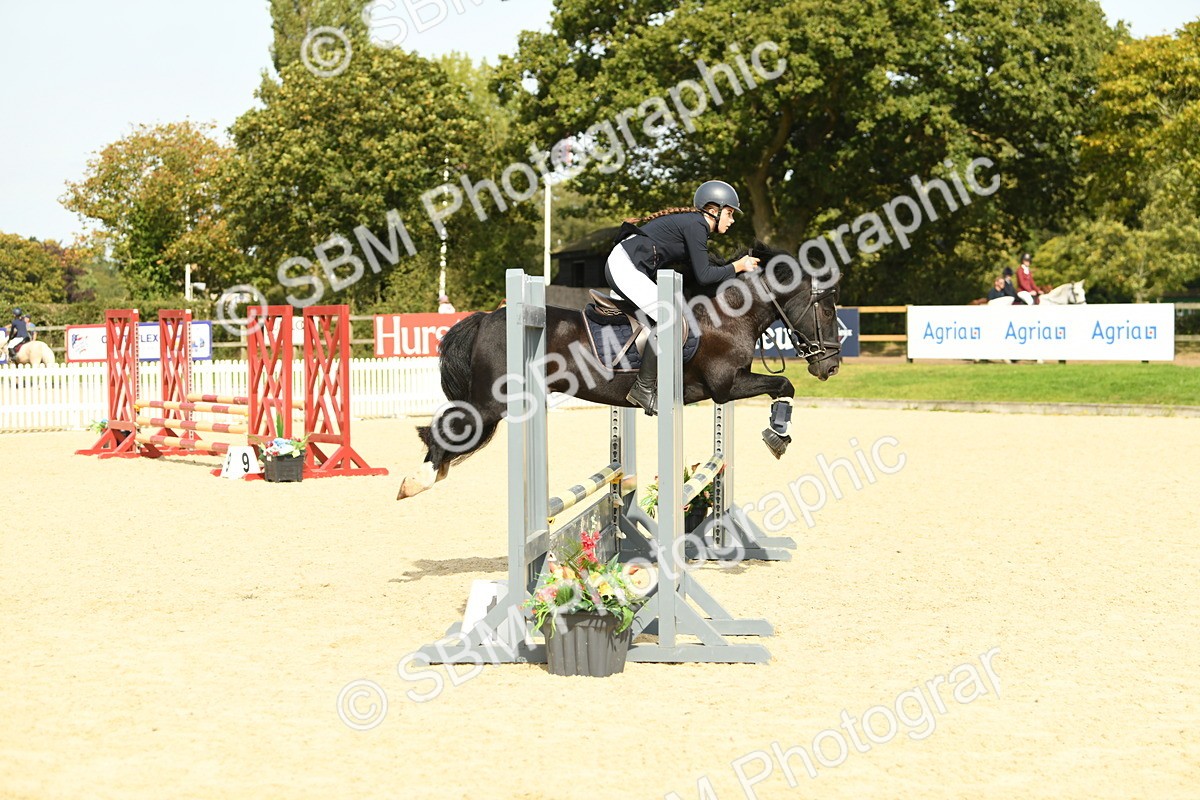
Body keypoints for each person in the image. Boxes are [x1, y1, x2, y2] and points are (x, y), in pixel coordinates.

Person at [605, 180, 760, 415]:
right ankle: (643, 388)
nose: (732, 220)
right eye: (729, 213)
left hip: (630, 264)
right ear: (713, 210)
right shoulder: (697, 225)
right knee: (670, 319)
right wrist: (738, 266)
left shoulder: (694, 225)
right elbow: (706, 275)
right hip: (625, 266)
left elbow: (698, 278)